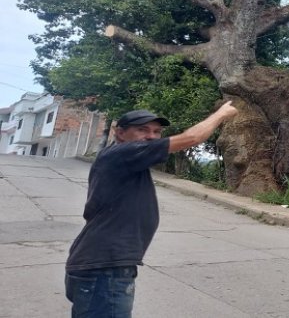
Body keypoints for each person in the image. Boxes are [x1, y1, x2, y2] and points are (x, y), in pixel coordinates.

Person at [64, 101, 238, 317]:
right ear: (120, 133)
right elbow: (192, 138)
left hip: (104, 266)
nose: (152, 136)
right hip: (104, 268)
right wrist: (221, 114)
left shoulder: (127, 160)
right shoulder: (121, 154)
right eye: (142, 130)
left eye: (157, 132)